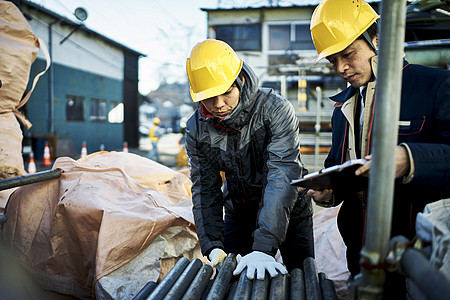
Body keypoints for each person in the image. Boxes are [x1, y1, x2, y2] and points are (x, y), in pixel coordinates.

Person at [308, 0, 450, 297]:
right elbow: (342, 166)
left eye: (348, 54)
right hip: (360, 253)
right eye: (333, 60)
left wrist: (409, 159)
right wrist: (329, 190)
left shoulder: (435, 86)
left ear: (377, 39)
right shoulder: (343, 106)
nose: (341, 68)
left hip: (415, 253)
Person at [184, 39, 314, 280]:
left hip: (290, 210)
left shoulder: (275, 110)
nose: (219, 104)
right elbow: (205, 187)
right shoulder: (196, 128)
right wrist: (212, 245)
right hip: (239, 214)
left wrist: (263, 248)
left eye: (226, 92)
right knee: (232, 282)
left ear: (240, 80)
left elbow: (282, 175)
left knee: (300, 279)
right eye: (210, 96)